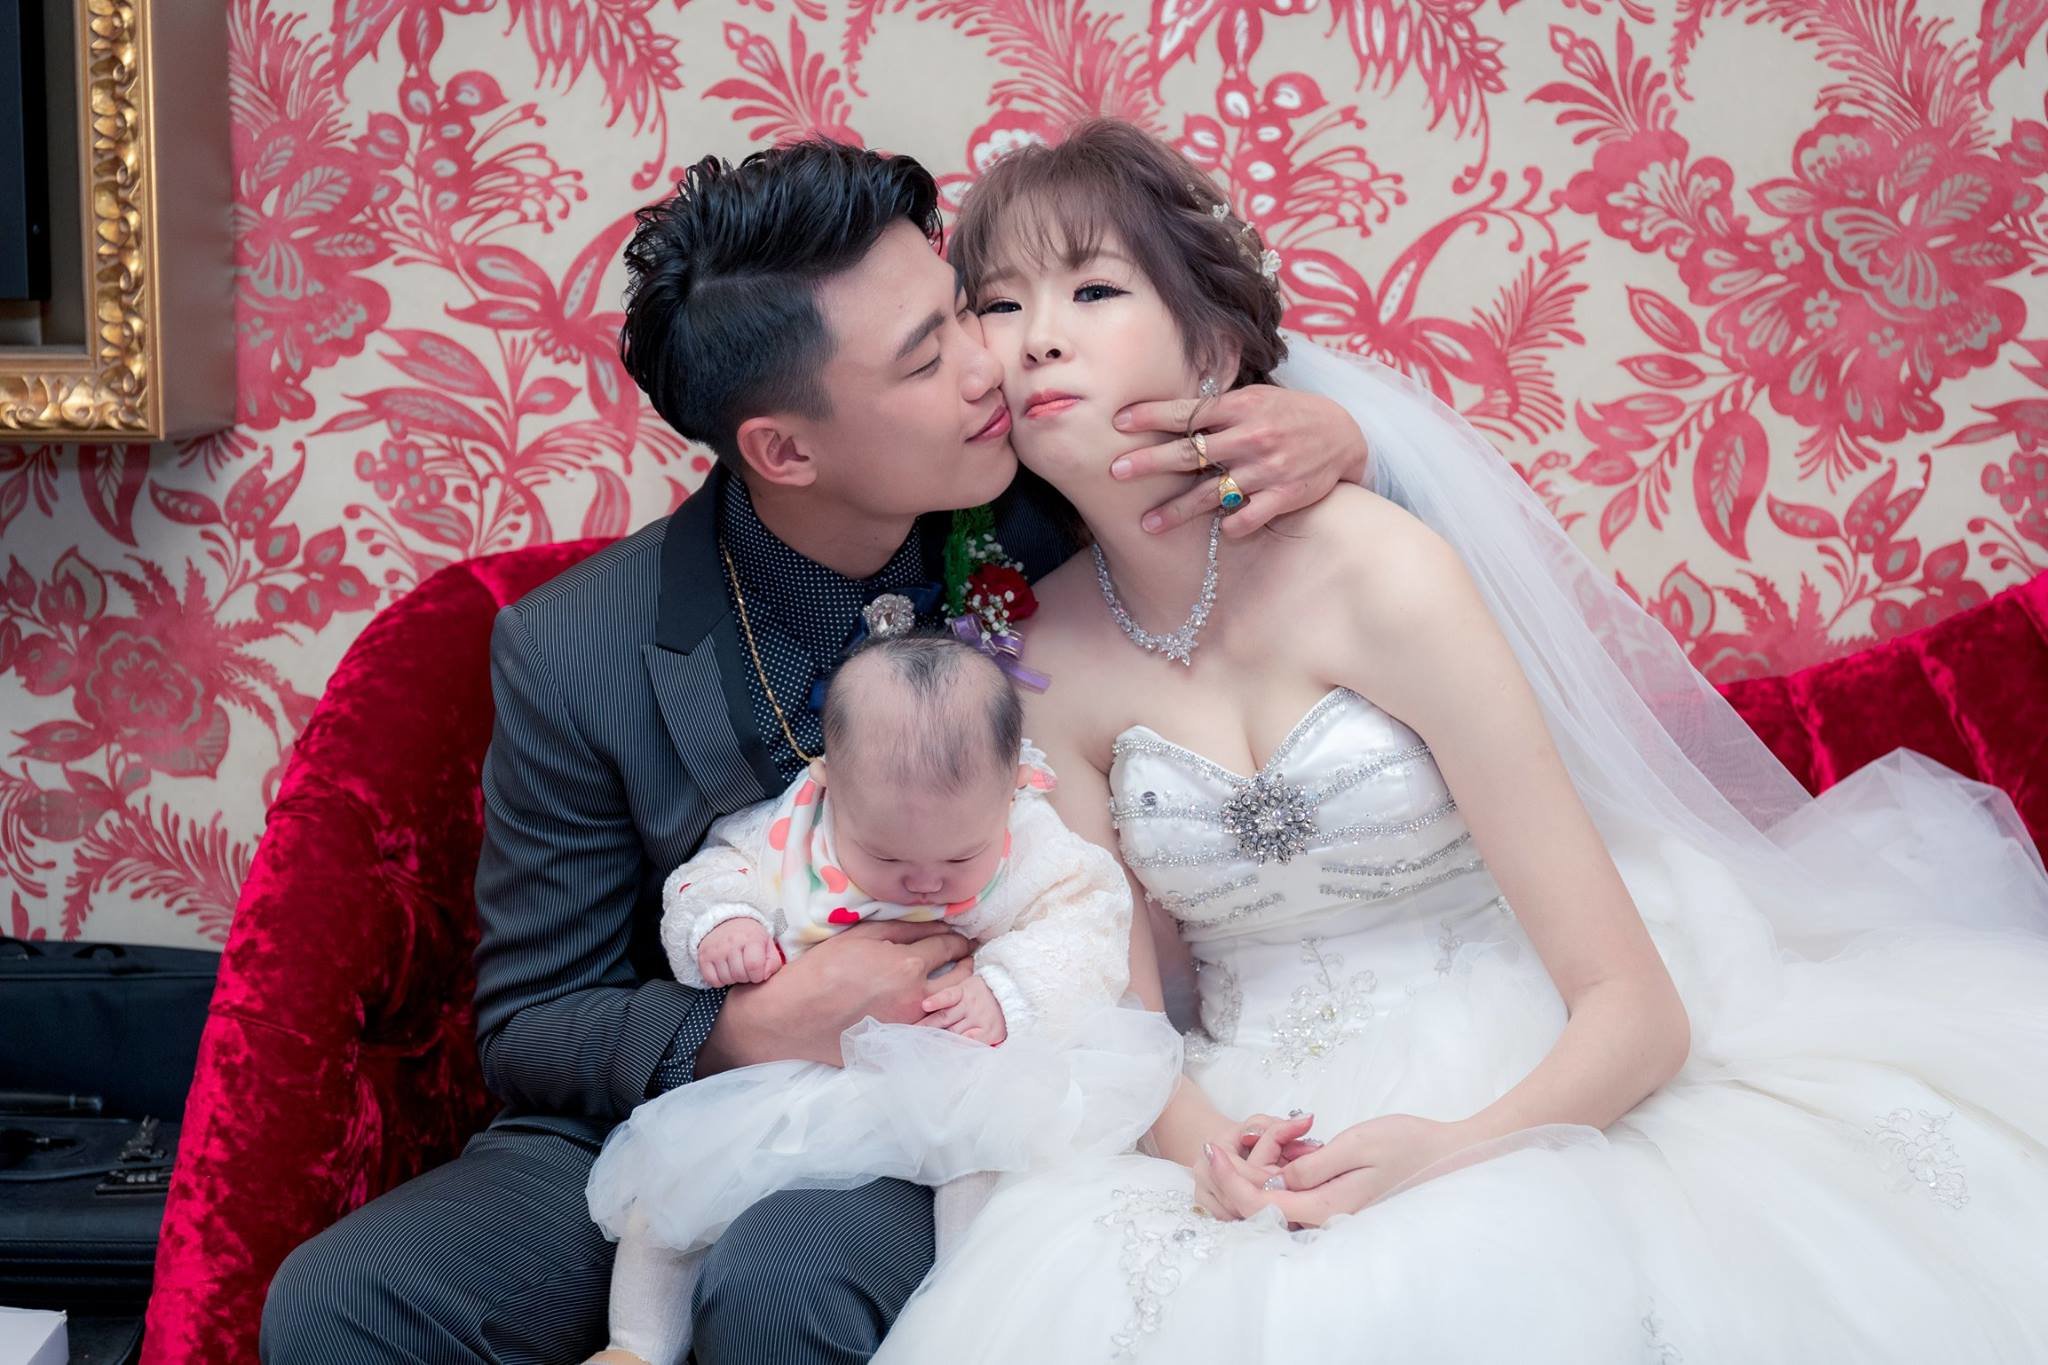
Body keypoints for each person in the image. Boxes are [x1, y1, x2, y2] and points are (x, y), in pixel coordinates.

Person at [868, 119, 2048, 1363]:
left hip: (1520, 1066)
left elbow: (1635, 1010)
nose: (1037, 337)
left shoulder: (1380, 573)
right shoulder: (1037, 654)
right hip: (1244, 1100)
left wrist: (1453, 1150)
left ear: (1209, 349)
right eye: (999, 304)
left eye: (1093, 290)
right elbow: (1123, 1017)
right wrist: (1209, 1150)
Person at [256, 138, 1373, 1364]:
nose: (986, 364)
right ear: (783, 450)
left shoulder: (1048, 501)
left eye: (962, 310)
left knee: (785, 1283)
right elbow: (530, 1023)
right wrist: (754, 1026)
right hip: (667, 1114)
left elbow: (1248, 496)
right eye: (925, 357)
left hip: (954, 1094)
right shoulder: (575, 650)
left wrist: (1331, 437)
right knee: (343, 1302)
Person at [583, 632, 1180, 1365]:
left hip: (960, 1066)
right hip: (801, 1070)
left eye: (960, 856)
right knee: (671, 1184)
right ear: (829, 784)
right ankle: (635, 1345)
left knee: (985, 1161)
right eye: (887, 856)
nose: (925, 881)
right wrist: (723, 923)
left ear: (1012, 789)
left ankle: (966, 1316)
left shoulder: (1029, 841)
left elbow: (1088, 919)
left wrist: (1009, 989)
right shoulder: (792, 830)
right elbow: (711, 872)